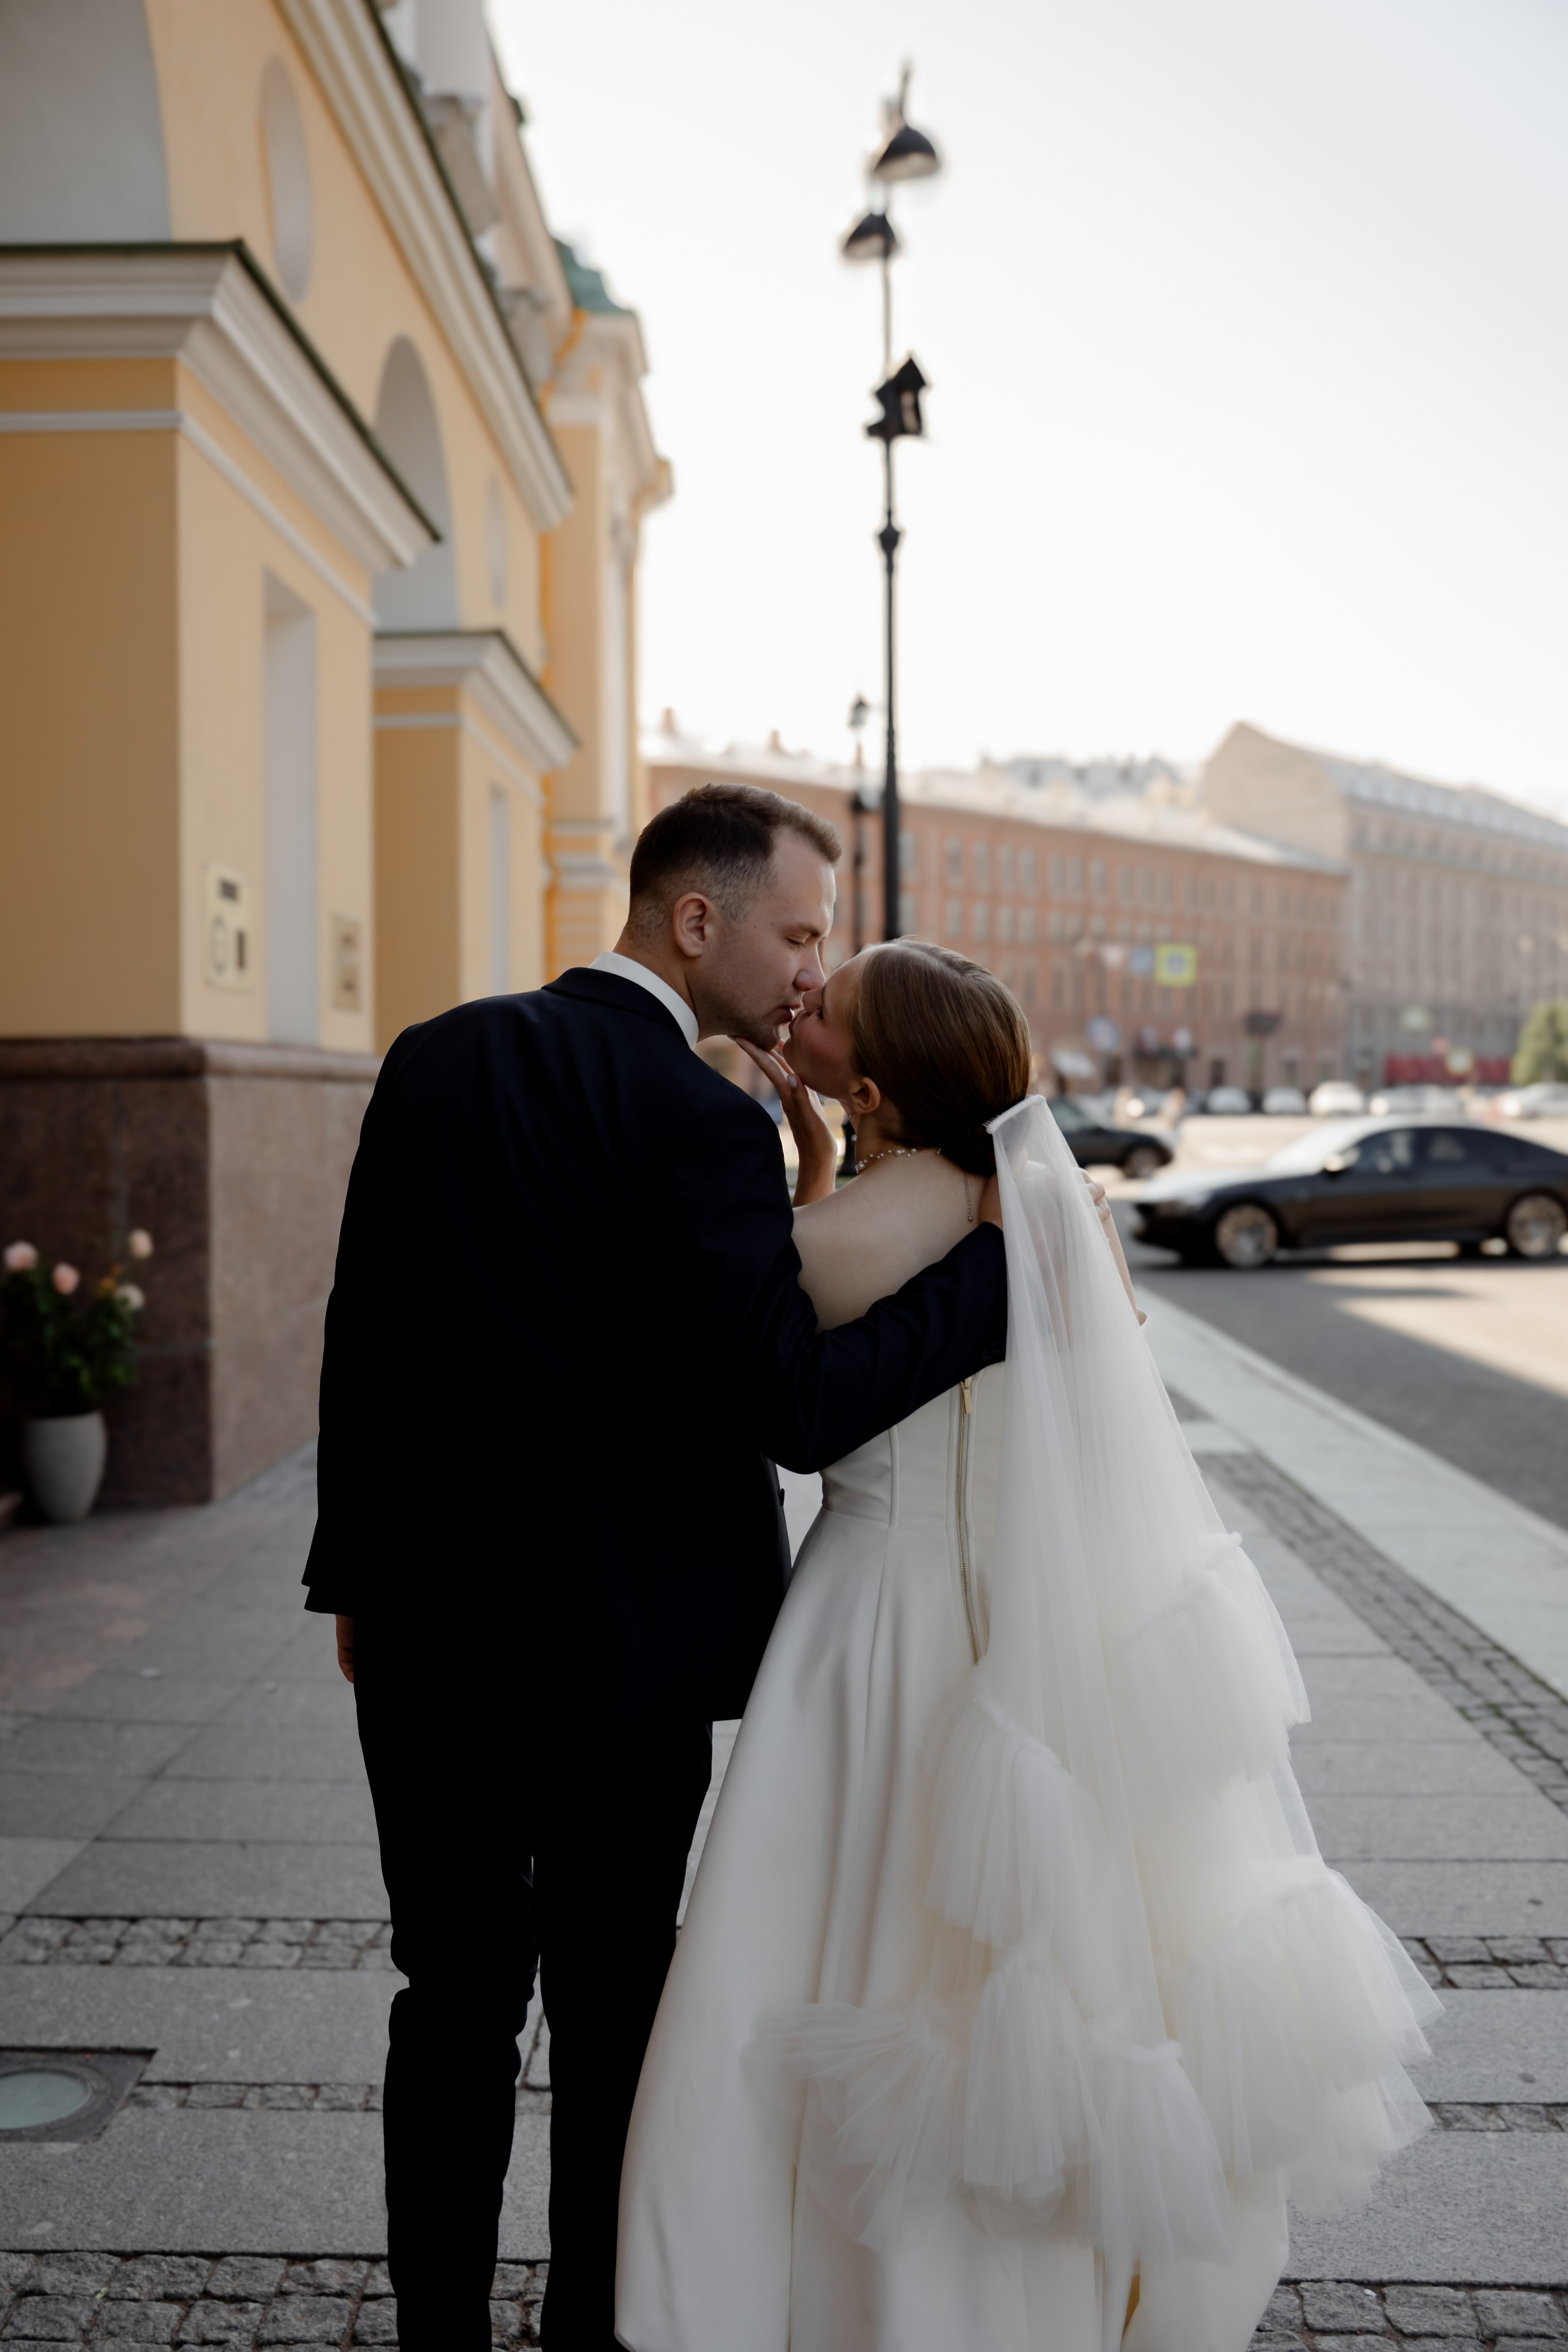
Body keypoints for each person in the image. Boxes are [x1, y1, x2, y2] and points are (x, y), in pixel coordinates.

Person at [617, 939, 1439, 2352]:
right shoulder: (1043, 1210)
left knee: (830, 1939)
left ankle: (805, 2291)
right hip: (1023, 1622)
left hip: (873, 1621)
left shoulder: (856, 1231)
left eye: (837, 1004)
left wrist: (801, 1177)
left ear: (870, 1084)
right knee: (1031, 1969)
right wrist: (828, 1156)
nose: (804, 999)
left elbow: (792, 1338)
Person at [303, 786, 1012, 2352]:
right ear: (697, 922)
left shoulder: (437, 1054)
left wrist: (351, 1576)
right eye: (798, 934)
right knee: (614, 2010)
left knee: (450, 2000)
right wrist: (989, 1287)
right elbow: (789, 1401)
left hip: (424, 1633)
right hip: (627, 1657)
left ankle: (435, 2337)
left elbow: (364, 1333)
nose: (809, 974)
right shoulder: (705, 1120)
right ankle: (587, 2335)